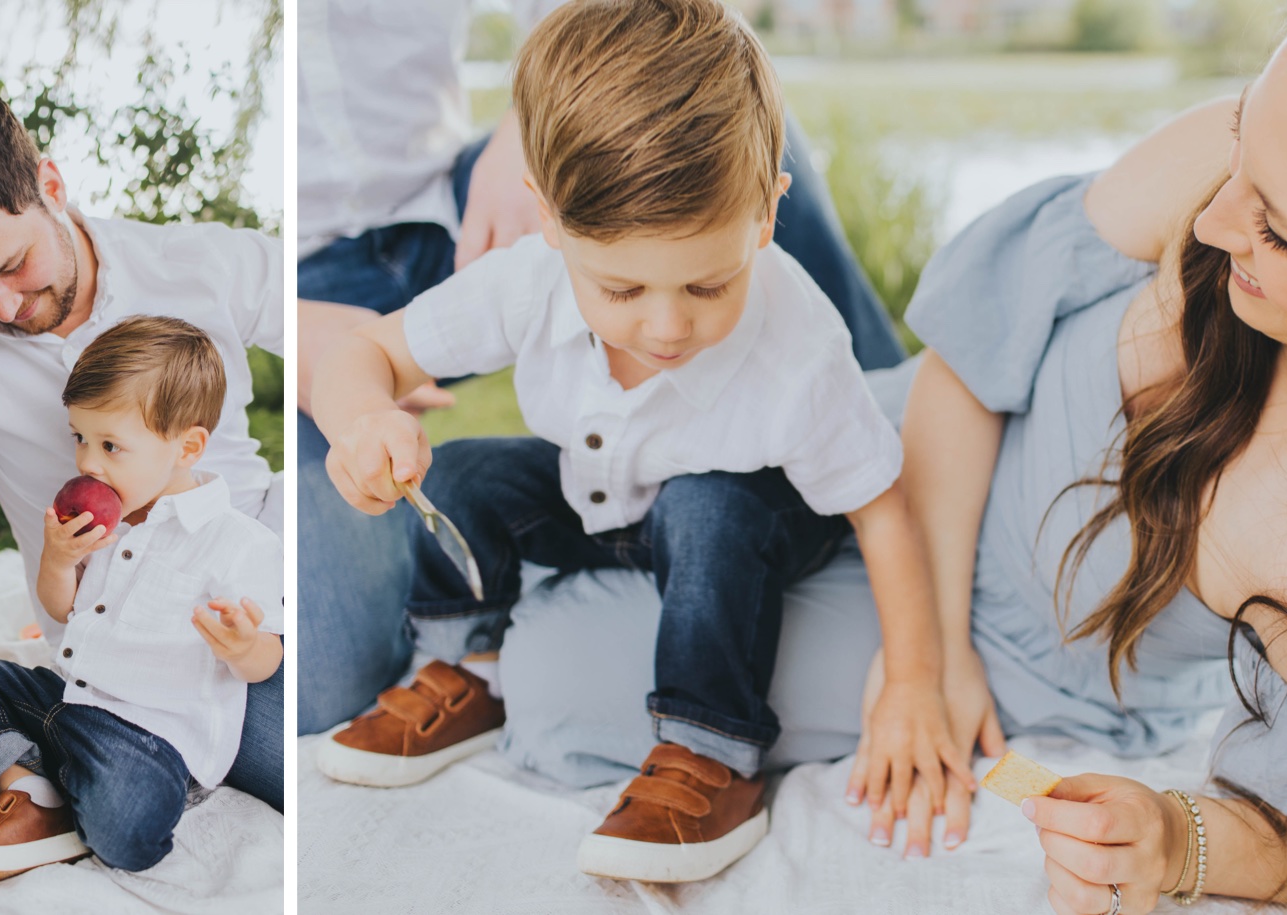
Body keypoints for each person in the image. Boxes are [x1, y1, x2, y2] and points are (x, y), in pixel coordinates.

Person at [491, 0, 1287, 909]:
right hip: (903, 454)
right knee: (605, 464)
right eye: (1244, 141)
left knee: (551, 674)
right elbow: (963, 372)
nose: (1211, 223)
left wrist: (1178, 840)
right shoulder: (1235, 158)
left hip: (1019, 663)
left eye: (1278, 231)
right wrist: (921, 650)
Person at [311, 0, 967, 883]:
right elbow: (366, 351)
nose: (666, 326)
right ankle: (467, 666)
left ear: (767, 213)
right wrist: (364, 419)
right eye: (620, 289)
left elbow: (881, 510)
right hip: (602, 494)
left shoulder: (798, 346)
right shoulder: (529, 282)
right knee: (466, 472)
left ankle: (709, 751)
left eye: (709, 282)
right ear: (549, 222)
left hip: (744, 518)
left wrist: (915, 680)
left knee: (708, 506)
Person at [0, 84, 285, 811]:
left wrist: (374, 400)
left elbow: (341, 342)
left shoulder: (197, 262)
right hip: (104, 639)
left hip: (251, 606)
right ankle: (60, 769)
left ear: (50, 187)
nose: (3, 309)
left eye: (11, 266)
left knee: (278, 737)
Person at [0, 316, 284, 884]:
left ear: (186, 447)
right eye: (80, 438)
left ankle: (65, 780)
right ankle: (33, 789)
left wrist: (243, 645)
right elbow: (61, 609)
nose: (89, 463)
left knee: (128, 834)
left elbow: (267, 660)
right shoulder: (102, 526)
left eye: (112, 445)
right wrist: (58, 560)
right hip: (71, 704)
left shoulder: (239, 544)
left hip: (149, 739)